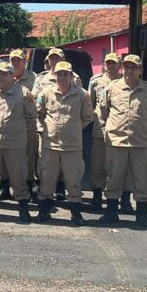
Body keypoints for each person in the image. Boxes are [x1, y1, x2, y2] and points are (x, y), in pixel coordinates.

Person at [98, 54, 147, 228]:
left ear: (141, 70)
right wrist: (110, 130)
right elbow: (103, 112)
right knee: (113, 178)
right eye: (127, 67)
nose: (130, 71)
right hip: (117, 142)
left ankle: (141, 214)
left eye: (134, 67)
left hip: (141, 143)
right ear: (122, 69)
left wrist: (142, 127)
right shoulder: (111, 88)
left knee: (142, 179)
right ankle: (112, 212)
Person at [36, 61, 94, 225]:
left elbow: (88, 117)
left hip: (72, 147)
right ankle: (44, 211)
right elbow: (40, 113)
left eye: (65, 74)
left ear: (71, 76)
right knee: (47, 179)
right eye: (59, 74)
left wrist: (73, 129)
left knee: (73, 181)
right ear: (55, 76)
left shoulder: (82, 95)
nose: (62, 77)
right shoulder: (46, 93)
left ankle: (76, 213)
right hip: (50, 145)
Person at [0, 62, 36, 221]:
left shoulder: (24, 93)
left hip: (15, 144)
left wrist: (19, 132)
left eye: (4, 74)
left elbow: (31, 117)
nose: (0, 77)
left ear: (12, 76)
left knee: (18, 177)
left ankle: (23, 208)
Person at [1, 48, 39, 200]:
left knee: (28, 158)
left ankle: (28, 188)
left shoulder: (33, 78)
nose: (16, 63)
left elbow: (34, 102)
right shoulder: (3, 76)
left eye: (19, 60)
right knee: (4, 158)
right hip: (6, 125)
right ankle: (4, 188)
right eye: (13, 60)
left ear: (25, 61)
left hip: (26, 126)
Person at [87, 53, 123, 210]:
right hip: (100, 129)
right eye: (108, 63)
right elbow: (90, 104)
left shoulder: (125, 82)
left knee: (119, 165)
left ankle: (123, 199)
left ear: (119, 66)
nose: (111, 66)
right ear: (103, 65)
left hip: (120, 131)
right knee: (98, 164)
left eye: (114, 63)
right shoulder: (96, 82)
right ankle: (96, 197)